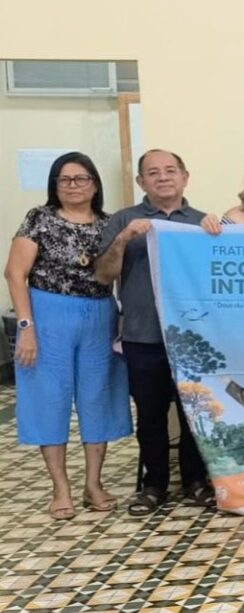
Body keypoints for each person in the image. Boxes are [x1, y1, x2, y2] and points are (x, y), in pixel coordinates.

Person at [4, 152, 132, 519]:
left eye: (81, 178)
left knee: (98, 397)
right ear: (54, 185)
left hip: (99, 315)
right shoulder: (39, 219)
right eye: (65, 179)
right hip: (47, 315)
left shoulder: (109, 223)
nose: (73, 185)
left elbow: (117, 274)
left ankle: (94, 483)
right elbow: (15, 273)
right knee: (49, 398)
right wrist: (26, 327)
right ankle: (60, 488)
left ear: (94, 184)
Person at [94, 149, 221, 516]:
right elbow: (102, 275)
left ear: (185, 177)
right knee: (150, 416)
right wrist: (124, 239)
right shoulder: (124, 219)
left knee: (195, 413)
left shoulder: (202, 222)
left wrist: (218, 236)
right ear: (141, 181)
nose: (163, 177)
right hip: (143, 336)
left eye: (170, 170)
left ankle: (196, 481)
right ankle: (154, 485)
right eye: (153, 172)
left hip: (193, 338)